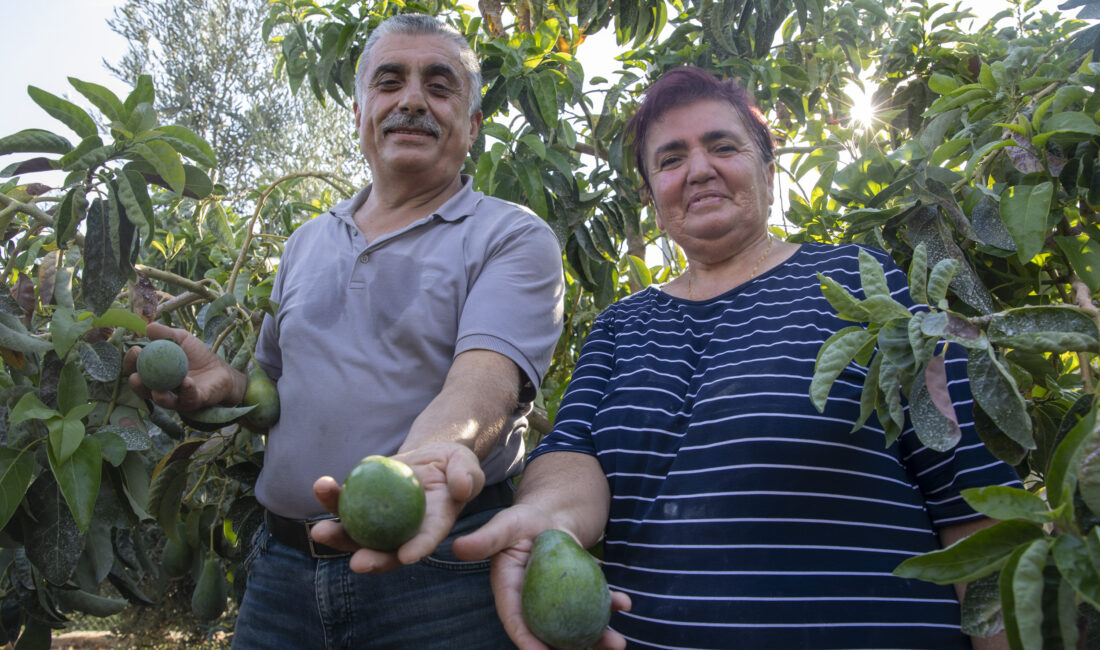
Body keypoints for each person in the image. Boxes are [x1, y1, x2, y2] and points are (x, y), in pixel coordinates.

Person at [452, 66, 1020, 649]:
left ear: (768, 171)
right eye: (671, 160)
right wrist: (551, 518)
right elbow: (571, 451)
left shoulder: (863, 284)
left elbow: (974, 502)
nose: (699, 170)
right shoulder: (620, 325)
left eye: (723, 146)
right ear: (651, 196)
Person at [127, 13, 564, 649]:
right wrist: (228, 389)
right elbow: (276, 395)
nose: (412, 99)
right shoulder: (306, 242)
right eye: (390, 82)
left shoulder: (511, 235)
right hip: (281, 574)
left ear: (471, 126)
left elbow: (486, 384)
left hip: (439, 575)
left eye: (439, 87)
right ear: (358, 110)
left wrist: (428, 461)